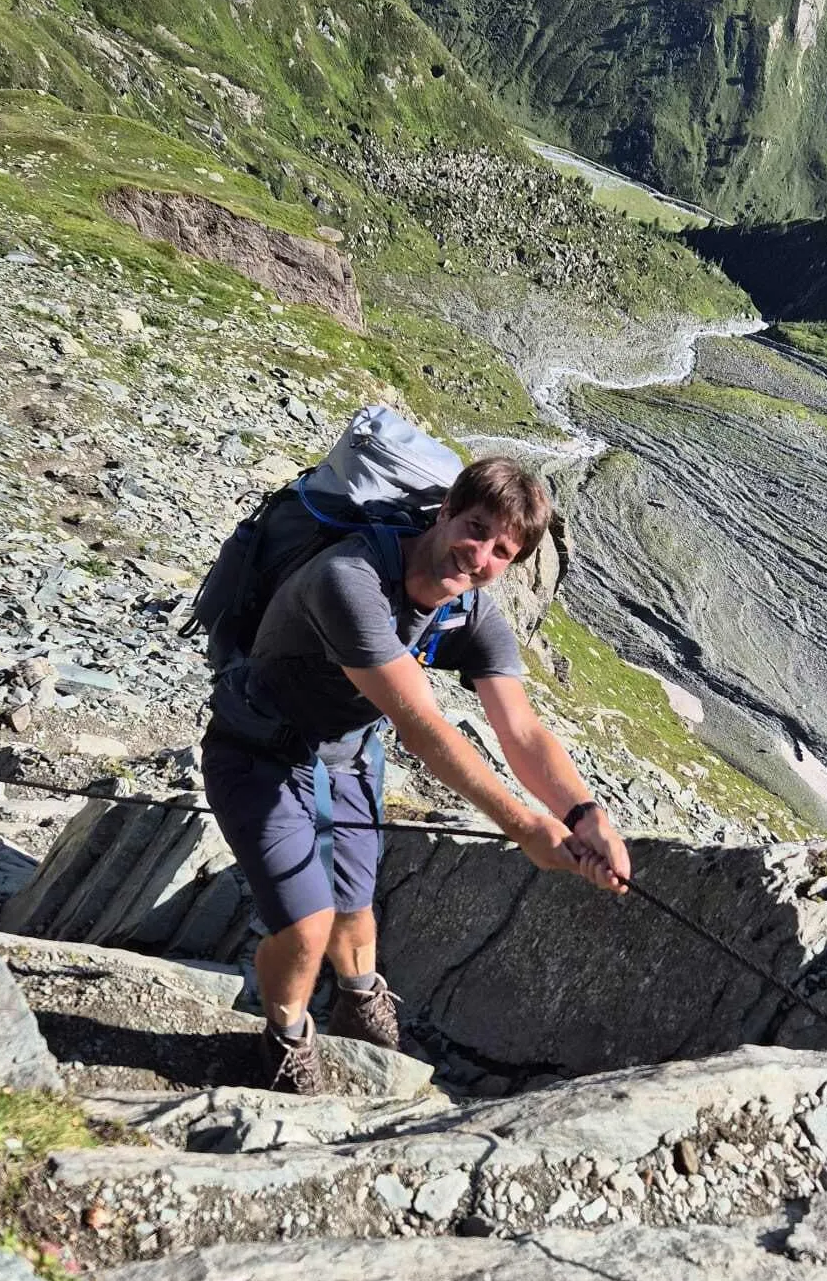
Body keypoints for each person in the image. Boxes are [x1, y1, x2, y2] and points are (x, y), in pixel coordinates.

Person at [201, 455, 631, 1093]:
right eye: (475, 528)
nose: (477, 554)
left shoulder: (470, 615)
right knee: (306, 926)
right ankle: (286, 1035)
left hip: (345, 757)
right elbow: (421, 725)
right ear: (448, 509)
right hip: (257, 752)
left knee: (355, 913)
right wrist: (524, 827)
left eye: (501, 551)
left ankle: (358, 999)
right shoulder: (351, 579)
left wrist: (584, 815)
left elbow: (522, 730)